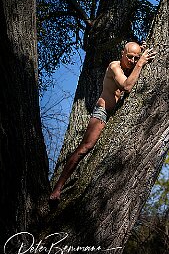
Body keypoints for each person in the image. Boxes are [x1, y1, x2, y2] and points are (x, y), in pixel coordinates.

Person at [49, 41, 156, 201]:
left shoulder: (130, 66)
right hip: (103, 111)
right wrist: (141, 62)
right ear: (122, 53)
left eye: (136, 58)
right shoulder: (115, 67)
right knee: (85, 148)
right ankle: (57, 189)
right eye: (130, 57)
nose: (132, 61)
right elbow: (127, 86)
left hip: (116, 114)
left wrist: (142, 52)